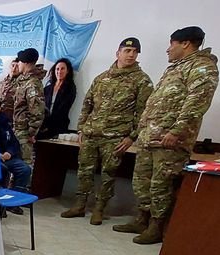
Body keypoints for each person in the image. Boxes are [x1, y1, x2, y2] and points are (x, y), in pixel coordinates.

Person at [114, 26, 219, 244]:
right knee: (142, 182)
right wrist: (141, 131)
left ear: (185, 44)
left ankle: (156, 227)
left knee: (161, 185)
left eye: (172, 44)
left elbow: (197, 102)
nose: (168, 49)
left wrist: (176, 131)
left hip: (169, 141)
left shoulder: (202, 66)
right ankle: (141, 219)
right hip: (149, 138)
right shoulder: (175, 68)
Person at [63, 38, 153, 224]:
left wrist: (131, 137)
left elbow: (143, 113)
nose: (131, 55)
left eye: (135, 52)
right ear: (118, 53)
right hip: (91, 134)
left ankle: (99, 208)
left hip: (116, 137)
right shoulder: (102, 78)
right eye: (127, 51)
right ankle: (79, 205)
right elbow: (87, 104)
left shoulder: (142, 81)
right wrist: (81, 129)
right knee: (84, 171)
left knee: (108, 173)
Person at [11, 48, 46, 173]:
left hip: (25, 133)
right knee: (16, 165)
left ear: (25, 63)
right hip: (17, 130)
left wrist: (31, 133)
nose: (18, 64)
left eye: (20, 61)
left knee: (25, 167)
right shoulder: (23, 81)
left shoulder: (32, 83)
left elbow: (37, 111)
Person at [39, 58, 77, 140]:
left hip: (59, 126)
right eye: (57, 69)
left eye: (62, 69)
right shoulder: (47, 88)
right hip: (44, 125)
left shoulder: (70, 88)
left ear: (67, 71)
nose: (59, 71)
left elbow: (63, 108)